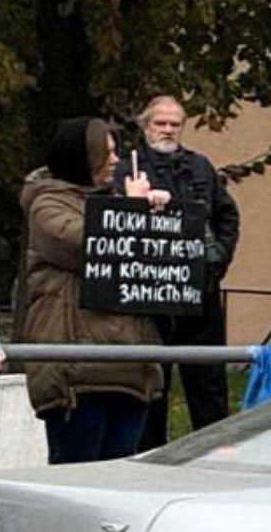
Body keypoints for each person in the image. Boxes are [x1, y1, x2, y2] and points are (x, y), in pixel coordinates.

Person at [19, 118, 163, 465]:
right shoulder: (47, 206)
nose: (115, 161)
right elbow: (90, 244)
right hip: (77, 375)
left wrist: (163, 216)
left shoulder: (113, 201)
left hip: (129, 369)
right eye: (107, 153)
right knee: (76, 479)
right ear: (82, 157)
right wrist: (133, 211)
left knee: (119, 486)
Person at [125, 97, 241, 448]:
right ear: (146, 126)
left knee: (208, 384)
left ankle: (214, 454)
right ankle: (150, 458)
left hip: (199, 291)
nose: (167, 130)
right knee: (151, 386)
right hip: (149, 297)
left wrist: (216, 262)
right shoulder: (129, 169)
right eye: (160, 123)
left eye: (174, 124)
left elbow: (227, 216)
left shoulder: (200, 166)